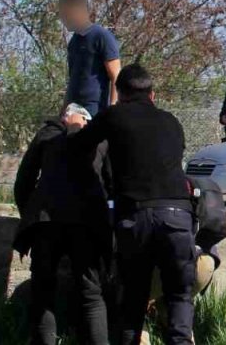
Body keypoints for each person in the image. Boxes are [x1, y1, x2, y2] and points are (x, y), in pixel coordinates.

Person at [71, 64, 197, 345]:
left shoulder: (114, 115)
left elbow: (79, 146)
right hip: (177, 215)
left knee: (133, 300)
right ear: (153, 94)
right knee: (179, 294)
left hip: (135, 217)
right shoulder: (171, 121)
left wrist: (75, 127)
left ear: (120, 93)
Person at [12, 103, 111, 345]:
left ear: (63, 119)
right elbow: (111, 185)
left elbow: (23, 181)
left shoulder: (46, 135)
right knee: (90, 293)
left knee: (43, 290)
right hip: (86, 222)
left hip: (47, 221)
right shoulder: (101, 141)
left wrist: (31, 216)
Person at [58, 0, 121, 117]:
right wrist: (63, 111)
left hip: (94, 112)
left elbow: (116, 76)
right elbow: (73, 80)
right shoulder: (73, 42)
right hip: (73, 111)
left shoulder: (101, 36)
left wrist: (113, 108)